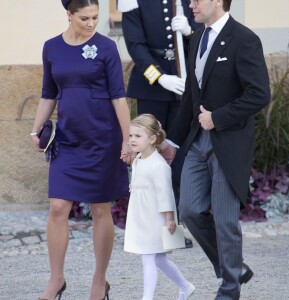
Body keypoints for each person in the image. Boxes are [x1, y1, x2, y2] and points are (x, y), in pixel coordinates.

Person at [160, 0, 271, 299]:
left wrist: (217, 118)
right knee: (190, 211)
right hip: (197, 141)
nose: (191, 5)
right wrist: (171, 142)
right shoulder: (196, 38)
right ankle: (231, 267)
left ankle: (229, 288)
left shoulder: (245, 39)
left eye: (196, 0)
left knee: (224, 220)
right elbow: (190, 100)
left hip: (229, 142)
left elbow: (259, 94)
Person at [30, 1, 132, 299]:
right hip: (68, 139)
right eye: (84, 18)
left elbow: (119, 97)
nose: (91, 24)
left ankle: (99, 280)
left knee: (99, 208)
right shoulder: (51, 47)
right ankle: (56, 279)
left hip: (103, 138)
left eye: (96, 18)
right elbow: (48, 94)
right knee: (58, 207)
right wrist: (36, 130)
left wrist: (127, 139)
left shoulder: (106, 48)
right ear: (69, 15)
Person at [118, 0, 202, 249]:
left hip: (184, 81)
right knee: (149, 157)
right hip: (152, 85)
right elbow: (136, 46)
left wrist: (190, 31)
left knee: (179, 156)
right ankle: (150, 226)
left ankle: (175, 226)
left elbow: (206, 35)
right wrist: (159, 77)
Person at [124, 114, 195, 300]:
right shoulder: (139, 158)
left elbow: (166, 195)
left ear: (152, 139)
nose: (132, 140)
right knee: (159, 259)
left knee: (148, 258)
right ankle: (185, 286)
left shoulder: (159, 165)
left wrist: (170, 219)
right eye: (131, 136)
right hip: (142, 216)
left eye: (138, 136)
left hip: (155, 218)